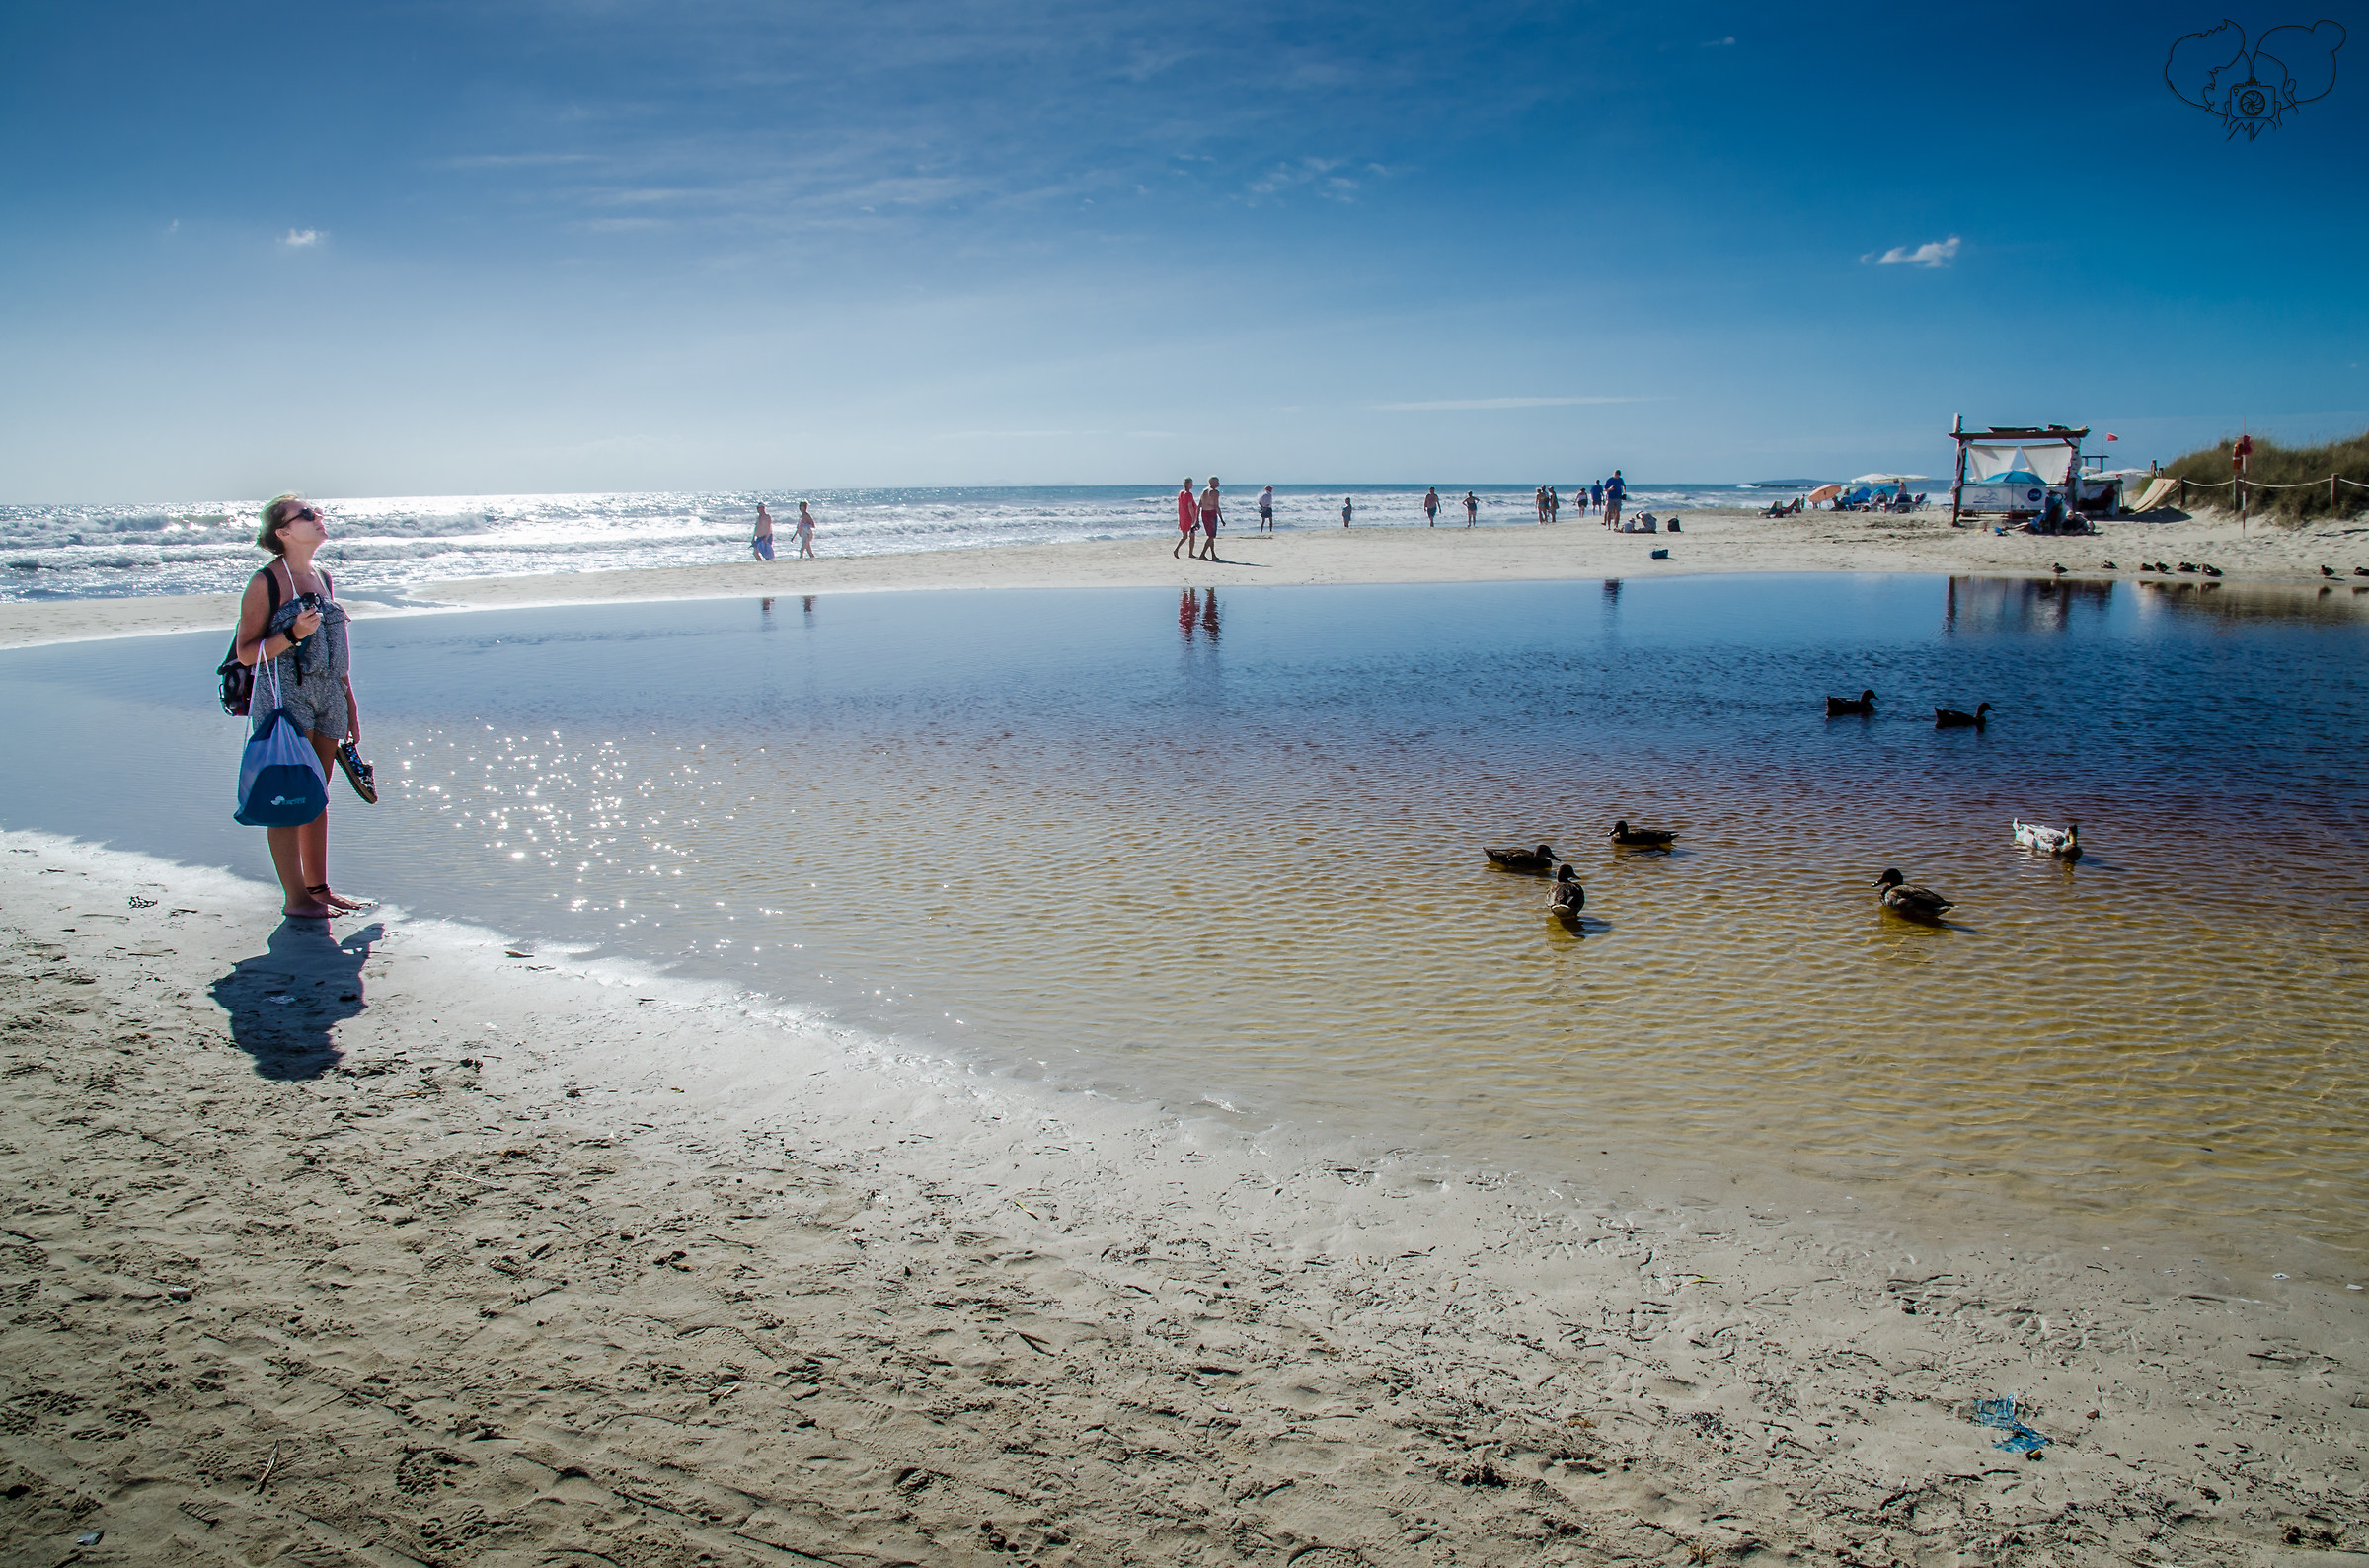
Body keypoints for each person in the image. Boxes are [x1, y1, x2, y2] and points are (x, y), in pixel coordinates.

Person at [235, 494, 367, 920]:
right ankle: (295, 900)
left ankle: (319, 889)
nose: (318, 517)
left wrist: (349, 701)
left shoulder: (322, 576)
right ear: (283, 531)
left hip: (329, 695)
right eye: (307, 514)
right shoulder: (266, 582)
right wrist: (292, 633)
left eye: (317, 512)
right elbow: (246, 653)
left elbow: (334, 649)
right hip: (285, 695)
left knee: (317, 795)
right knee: (289, 797)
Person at [1174, 477, 1198, 559]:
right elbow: (1190, 506)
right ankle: (1189, 553)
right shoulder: (1188, 494)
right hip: (1188, 517)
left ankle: (1178, 550)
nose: (1192, 485)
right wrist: (1194, 518)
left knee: (1185, 536)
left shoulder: (1180, 493)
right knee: (1191, 535)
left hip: (1183, 517)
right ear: (1187, 484)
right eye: (1191, 483)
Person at [1199, 477, 1223, 558]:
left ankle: (1213, 554)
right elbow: (1216, 506)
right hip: (1211, 514)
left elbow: (1200, 505)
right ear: (1212, 482)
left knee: (1211, 536)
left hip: (1204, 513)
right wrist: (1221, 518)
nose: (1218, 483)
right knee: (1211, 536)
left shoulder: (1204, 491)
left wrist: (1197, 518)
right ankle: (1202, 554)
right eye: (1217, 482)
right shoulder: (1215, 492)